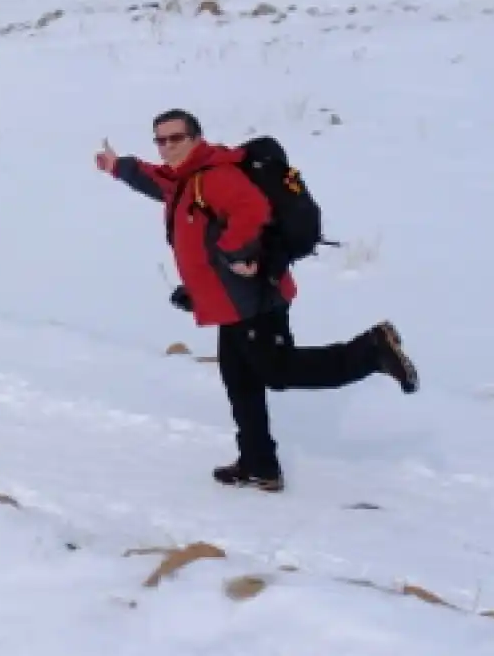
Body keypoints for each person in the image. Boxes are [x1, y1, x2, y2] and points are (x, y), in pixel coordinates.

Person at [98, 108, 419, 492]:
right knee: (239, 381)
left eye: (175, 138)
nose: (167, 147)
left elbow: (252, 210)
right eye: (160, 140)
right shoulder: (184, 178)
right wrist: (119, 167)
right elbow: (157, 181)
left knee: (277, 371)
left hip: (254, 298)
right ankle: (258, 463)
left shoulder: (215, 177)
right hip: (229, 303)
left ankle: (372, 351)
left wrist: (237, 253)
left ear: (195, 138)